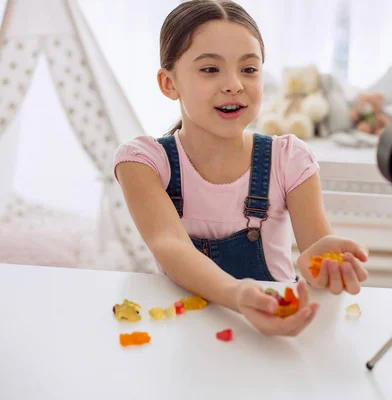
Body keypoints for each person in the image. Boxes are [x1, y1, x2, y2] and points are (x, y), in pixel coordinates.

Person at [113, 0, 369, 337]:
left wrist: (321, 268)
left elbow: (314, 256)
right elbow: (170, 246)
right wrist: (238, 295)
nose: (234, 84)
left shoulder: (289, 158)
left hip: (273, 332)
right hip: (181, 334)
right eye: (210, 69)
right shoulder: (143, 162)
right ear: (168, 83)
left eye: (249, 69)